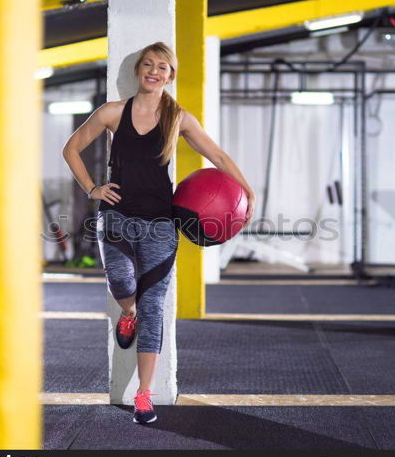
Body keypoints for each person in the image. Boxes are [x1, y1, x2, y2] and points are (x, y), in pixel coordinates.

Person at [62, 41, 256, 424]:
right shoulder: (114, 112)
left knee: (155, 310)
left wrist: (246, 190)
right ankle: (127, 311)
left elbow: (216, 156)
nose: (154, 71)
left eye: (162, 66)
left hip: (161, 225)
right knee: (121, 283)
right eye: (148, 64)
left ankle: (144, 394)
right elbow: (71, 148)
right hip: (116, 218)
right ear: (139, 71)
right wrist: (93, 189)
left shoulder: (179, 118)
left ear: (171, 75)